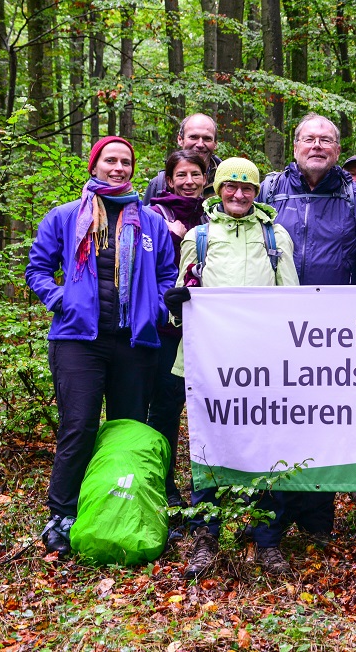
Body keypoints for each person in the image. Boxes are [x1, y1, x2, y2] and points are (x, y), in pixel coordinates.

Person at [26, 136, 177, 557]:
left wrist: (158, 310)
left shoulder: (151, 223)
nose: (118, 168)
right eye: (110, 160)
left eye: (126, 161)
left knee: (128, 431)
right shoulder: (64, 217)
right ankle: (63, 514)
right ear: (94, 165)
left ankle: (124, 510)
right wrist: (62, 300)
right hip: (79, 341)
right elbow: (38, 268)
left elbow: (167, 275)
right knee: (80, 427)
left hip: (134, 342)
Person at [258, 113, 356, 551]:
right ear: (295, 145)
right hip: (275, 327)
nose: (317, 146)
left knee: (321, 421)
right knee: (276, 419)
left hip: (333, 334)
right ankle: (269, 518)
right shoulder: (271, 190)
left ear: (338, 149)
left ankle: (316, 517)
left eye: (327, 140)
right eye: (309, 139)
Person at [164, 157, 300, 579]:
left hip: (262, 364)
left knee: (267, 446)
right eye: (230, 187)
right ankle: (207, 536)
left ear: (257, 192)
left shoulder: (274, 236)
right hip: (209, 363)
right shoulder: (200, 238)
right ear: (217, 190)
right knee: (208, 447)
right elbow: (184, 295)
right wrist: (177, 304)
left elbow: (291, 299)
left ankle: (267, 539)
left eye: (247, 189)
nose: (239, 195)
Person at [145, 151, 211, 514]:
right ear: (169, 180)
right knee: (166, 408)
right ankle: (164, 484)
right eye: (181, 175)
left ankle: (214, 488)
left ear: (206, 179)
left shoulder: (214, 216)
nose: (189, 181)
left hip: (207, 330)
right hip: (166, 330)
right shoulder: (152, 215)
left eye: (195, 175)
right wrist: (168, 237)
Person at [143, 114, 221, 204]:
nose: (200, 144)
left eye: (207, 138)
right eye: (193, 137)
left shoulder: (227, 181)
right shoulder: (160, 183)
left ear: (215, 144)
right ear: (180, 139)